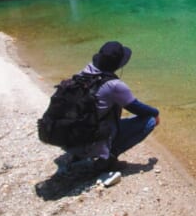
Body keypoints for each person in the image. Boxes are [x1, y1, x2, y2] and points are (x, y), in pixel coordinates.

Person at [65, 40, 160, 173]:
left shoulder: (84, 73)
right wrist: (156, 112)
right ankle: (107, 159)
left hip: (70, 139)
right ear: (119, 64)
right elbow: (138, 108)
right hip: (92, 141)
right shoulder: (114, 85)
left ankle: (80, 154)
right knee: (149, 120)